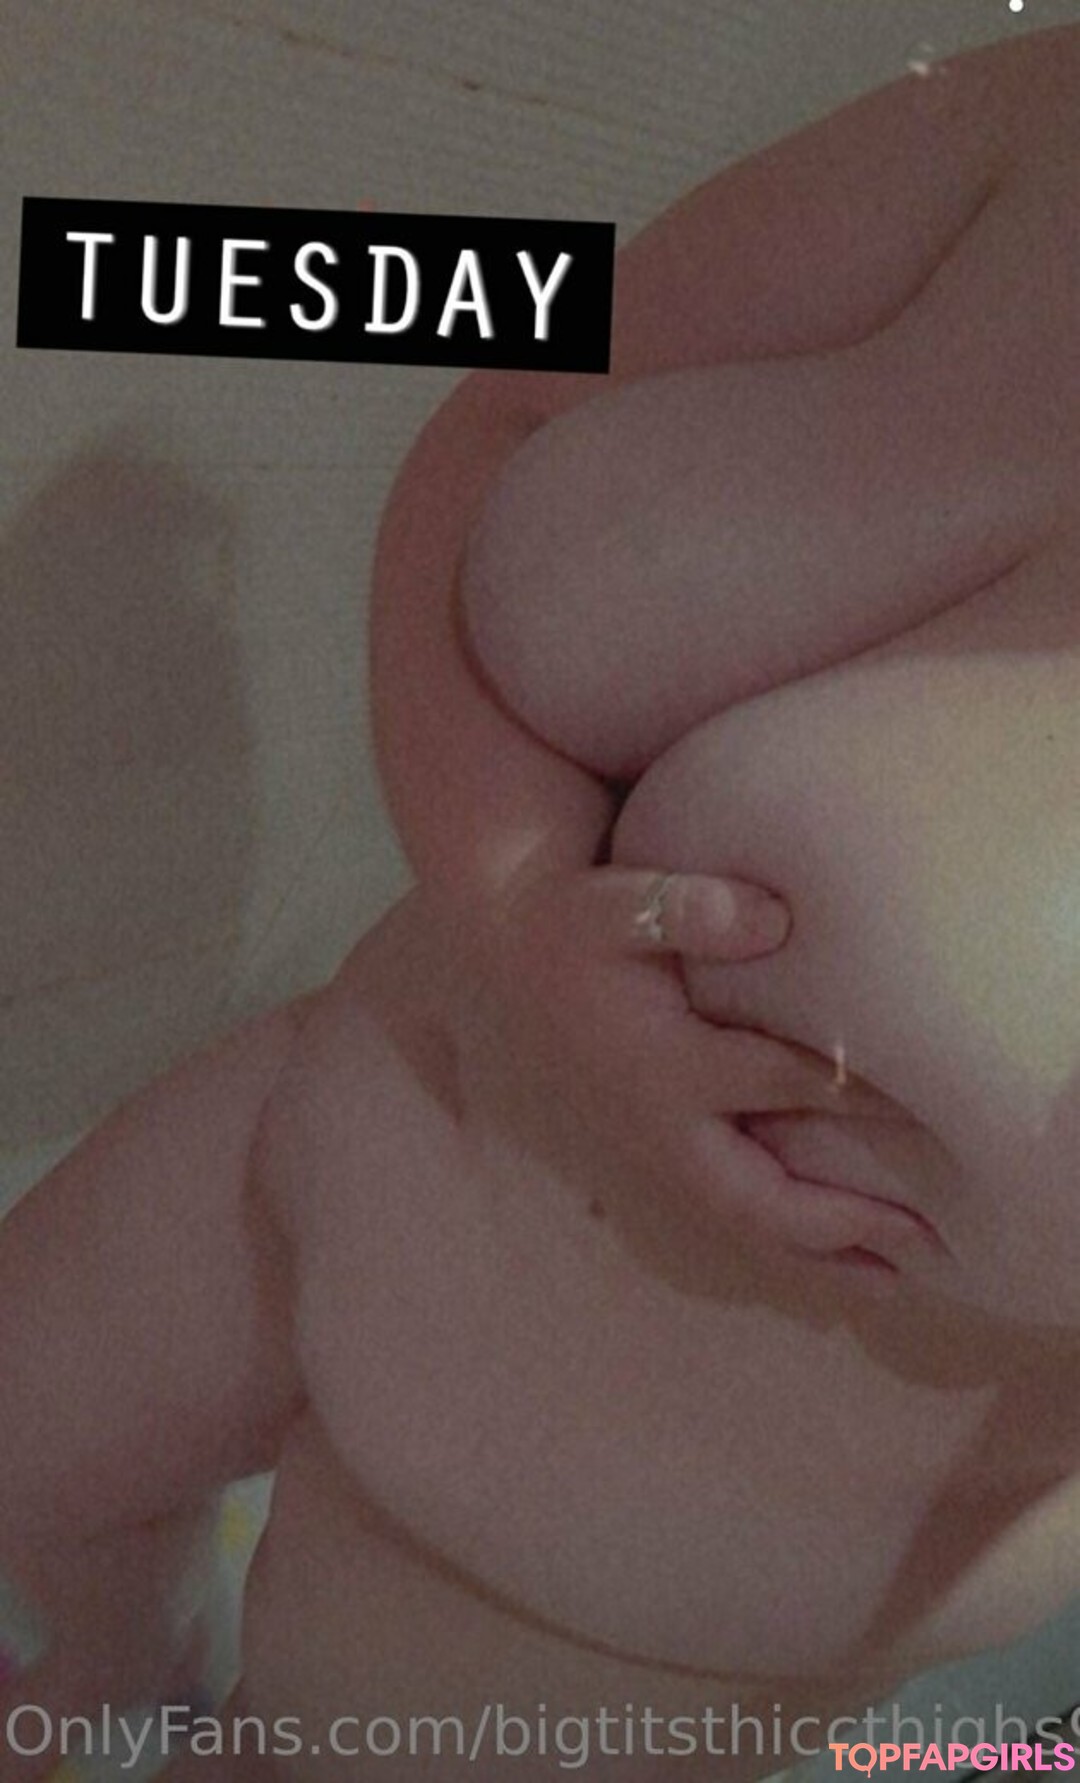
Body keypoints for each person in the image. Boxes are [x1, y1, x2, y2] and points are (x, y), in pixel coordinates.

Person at [4, 20, 1080, 1780]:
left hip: (600, 1579)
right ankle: (139, 1643)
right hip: (301, 1136)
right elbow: (517, 381)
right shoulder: (1038, 103)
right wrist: (511, 905)